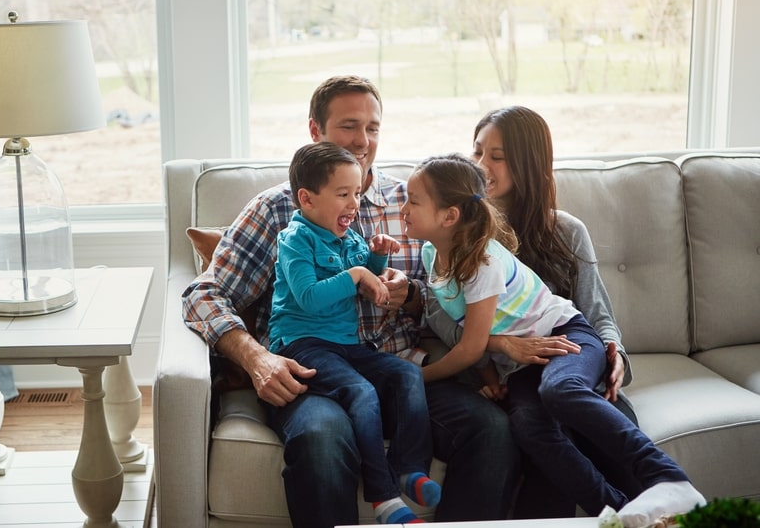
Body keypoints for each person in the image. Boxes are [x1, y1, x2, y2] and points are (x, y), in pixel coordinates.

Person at [183, 75, 520, 528]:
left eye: (373, 128)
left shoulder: (414, 202)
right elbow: (202, 293)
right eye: (349, 126)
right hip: (312, 371)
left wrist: (413, 297)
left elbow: (458, 295)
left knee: (493, 431)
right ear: (315, 131)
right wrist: (256, 358)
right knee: (321, 440)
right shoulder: (278, 211)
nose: (363, 141)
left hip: (396, 364)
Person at [401, 153, 706, 527]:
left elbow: (472, 346)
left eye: (412, 201)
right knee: (531, 428)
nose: (403, 208)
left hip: (566, 336)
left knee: (561, 391)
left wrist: (413, 377)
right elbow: (468, 329)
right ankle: (618, 514)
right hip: (522, 368)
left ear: (449, 216)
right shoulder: (434, 254)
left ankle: (668, 478)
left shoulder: (482, 262)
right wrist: (492, 381)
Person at [472, 104, 640, 517]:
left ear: (528, 164)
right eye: (477, 152)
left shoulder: (566, 230)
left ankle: (653, 509)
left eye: (497, 156)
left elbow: (597, 313)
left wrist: (615, 353)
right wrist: (500, 352)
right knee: (539, 431)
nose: (481, 166)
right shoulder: (465, 238)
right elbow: (451, 324)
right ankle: (628, 517)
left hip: (575, 365)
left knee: (610, 422)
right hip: (521, 379)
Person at [269, 141, 440, 524]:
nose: (354, 204)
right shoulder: (295, 240)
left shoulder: (349, 238)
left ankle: (409, 468)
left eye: (358, 193)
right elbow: (310, 297)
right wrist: (358, 274)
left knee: (407, 374)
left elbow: (365, 274)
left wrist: (376, 258)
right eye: (343, 194)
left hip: (346, 345)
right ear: (307, 200)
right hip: (301, 345)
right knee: (360, 391)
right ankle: (384, 499)